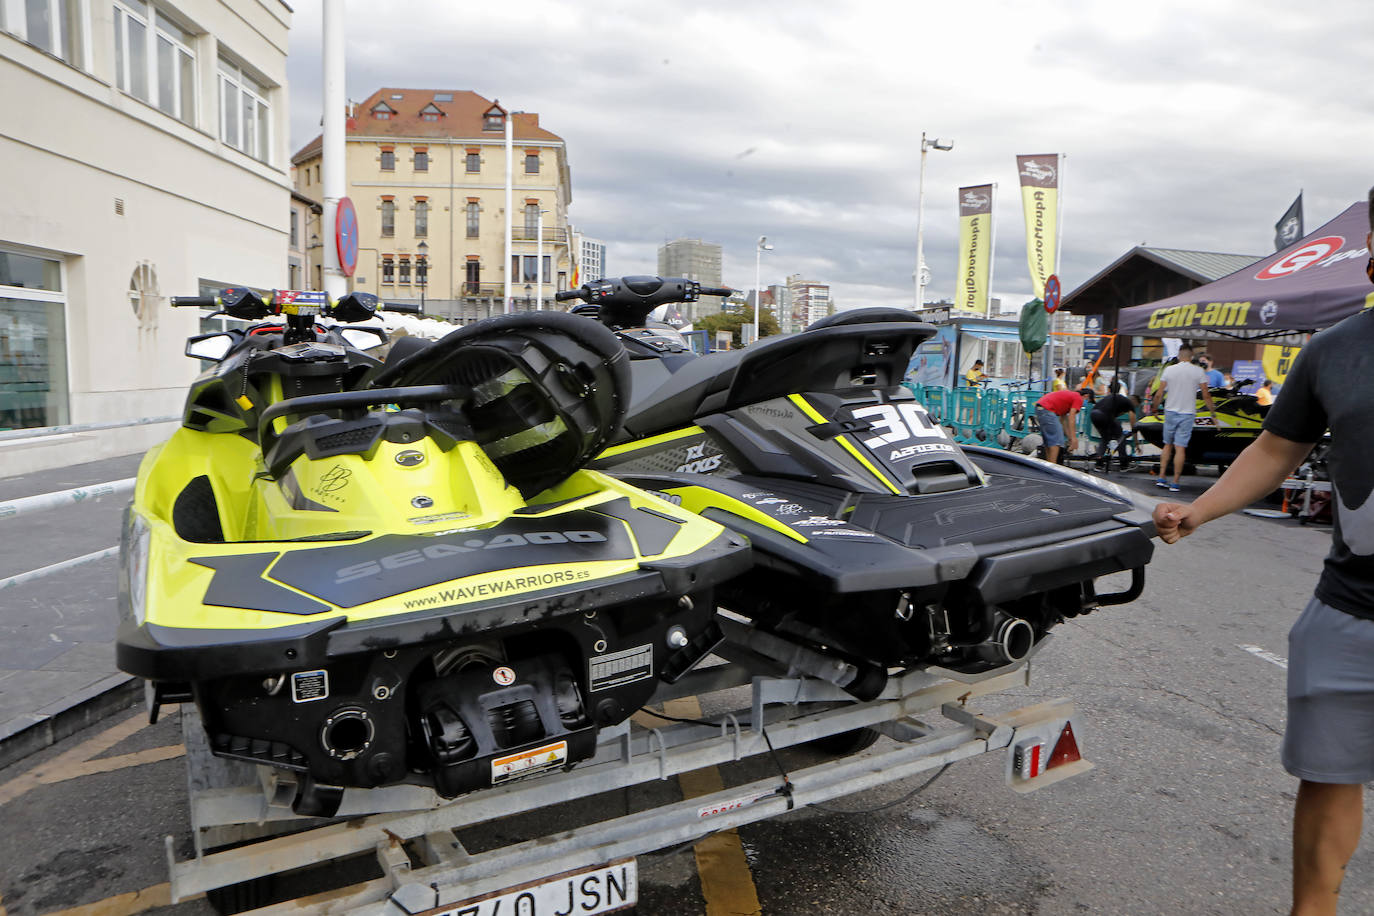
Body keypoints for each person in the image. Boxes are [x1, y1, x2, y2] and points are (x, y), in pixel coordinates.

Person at [1146, 343, 1216, 492]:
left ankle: (1161, 477)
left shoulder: (1169, 370)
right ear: (1191, 356)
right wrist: (1213, 413)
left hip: (1170, 411)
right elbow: (1206, 395)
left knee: (1167, 445)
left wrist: (1154, 409)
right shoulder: (1198, 371)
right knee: (1180, 448)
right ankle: (1176, 482)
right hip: (1188, 413)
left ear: (1179, 355)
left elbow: (1159, 393)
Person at [1090, 386, 1142, 471]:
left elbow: (1115, 415)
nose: (1135, 407)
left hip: (1094, 415)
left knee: (1105, 438)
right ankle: (1123, 464)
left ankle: (1099, 463)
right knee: (1121, 436)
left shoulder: (1117, 398)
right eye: (1136, 406)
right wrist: (1136, 443)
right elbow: (1134, 425)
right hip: (1105, 415)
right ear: (1135, 401)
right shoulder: (1129, 403)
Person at [1034, 387, 1082, 465]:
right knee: (1056, 440)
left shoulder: (1069, 398)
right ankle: (1053, 466)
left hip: (1041, 407)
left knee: (1049, 440)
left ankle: (1048, 465)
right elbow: (1071, 418)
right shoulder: (1078, 398)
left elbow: (1063, 420)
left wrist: (1070, 437)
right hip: (1047, 409)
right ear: (1086, 396)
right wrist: (1074, 438)